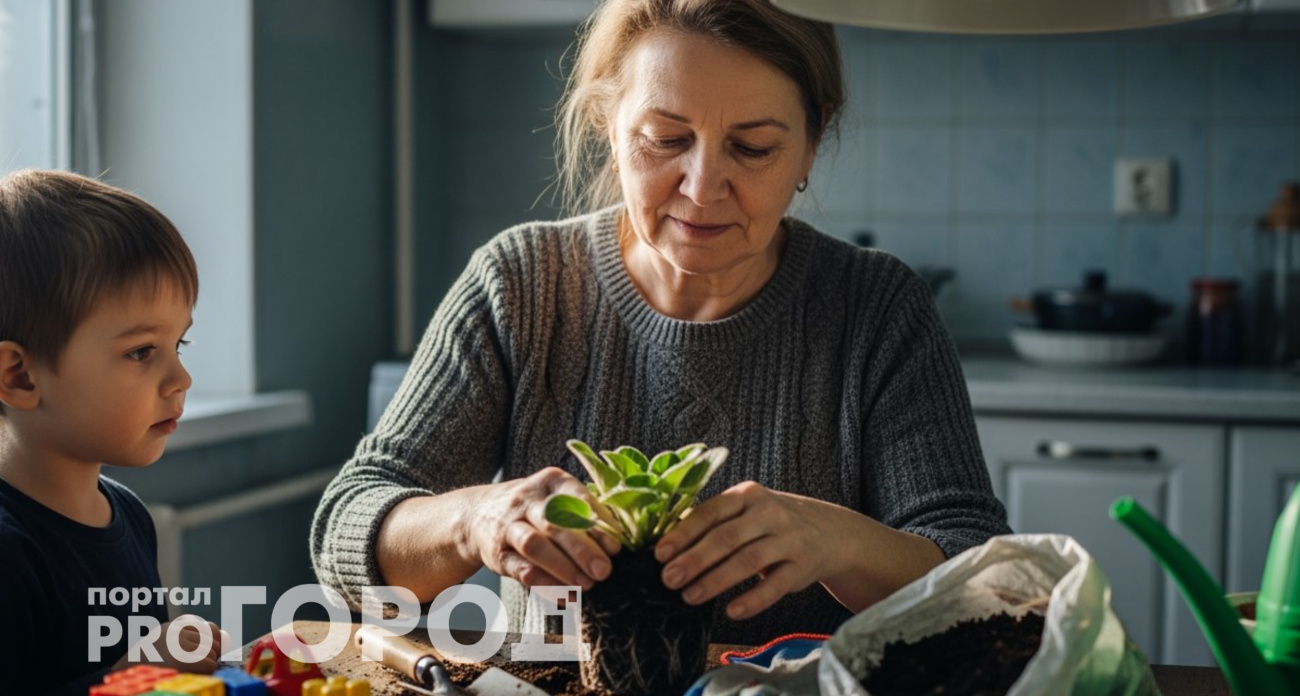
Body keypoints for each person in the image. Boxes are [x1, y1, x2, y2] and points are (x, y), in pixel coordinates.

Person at [312, 0, 1010, 646]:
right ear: (608, 126)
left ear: (812, 140)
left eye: (753, 148)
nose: (702, 189)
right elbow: (348, 528)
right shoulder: (521, 284)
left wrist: (839, 542)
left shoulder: (878, 308)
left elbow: (991, 580)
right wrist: (477, 520)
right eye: (665, 138)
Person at [0, 170, 224, 694]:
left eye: (179, 346)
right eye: (142, 352)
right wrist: (132, 678)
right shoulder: (8, 554)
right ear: (20, 377)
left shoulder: (129, 513)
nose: (181, 379)